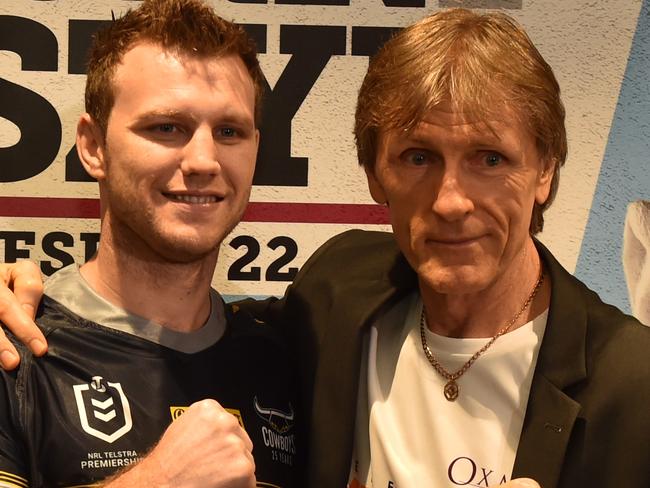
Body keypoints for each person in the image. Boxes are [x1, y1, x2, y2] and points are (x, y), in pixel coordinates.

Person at [3, 7, 636, 488]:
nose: (450, 200)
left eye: (490, 158)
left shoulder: (632, 384)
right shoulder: (331, 305)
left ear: (546, 172)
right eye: (418, 157)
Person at [0, 0, 299, 486]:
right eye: (166, 127)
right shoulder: (15, 348)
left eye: (229, 131)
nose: (204, 160)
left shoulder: (291, 353)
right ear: (94, 146)